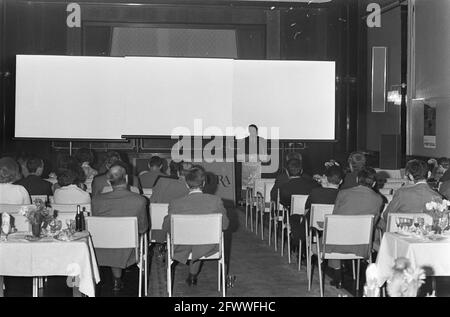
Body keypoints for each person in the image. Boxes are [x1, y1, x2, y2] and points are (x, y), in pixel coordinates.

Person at [162, 167, 229, 286]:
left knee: (188, 240)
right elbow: (225, 225)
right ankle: (192, 275)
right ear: (203, 183)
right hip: (207, 245)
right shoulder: (216, 201)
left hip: (181, 245)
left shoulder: (175, 203)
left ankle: (168, 277)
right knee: (199, 241)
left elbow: (166, 228)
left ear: (187, 185)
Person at [91, 163, 148, 291]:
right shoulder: (139, 200)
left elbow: (98, 225)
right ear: (127, 178)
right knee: (120, 241)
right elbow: (143, 228)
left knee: (113, 239)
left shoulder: (96, 200)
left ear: (109, 181)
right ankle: (117, 279)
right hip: (129, 250)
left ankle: (116, 279)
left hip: (101, 249)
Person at [329, 167, 384, 288]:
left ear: (357, 179)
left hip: (338, 244)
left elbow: (335, 216)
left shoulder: (343, 193)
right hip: (363, 244)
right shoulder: (379, 199)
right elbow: (373, 222)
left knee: (333, 231)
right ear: (374, 183)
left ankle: (337, 272)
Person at [290, 165, 344, 248]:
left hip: (313, 227)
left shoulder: (315, 192)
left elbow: (306, 209)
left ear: (326, 178)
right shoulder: (343, 196)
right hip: (335, 228)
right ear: (341, 181)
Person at [381, 160, 442, 228]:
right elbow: (438, 222)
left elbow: (387, 216)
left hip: (401, 234)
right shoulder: (437, 196)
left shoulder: (401, 193)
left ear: (410, 176)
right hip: (425, 236)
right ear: (429, 174)